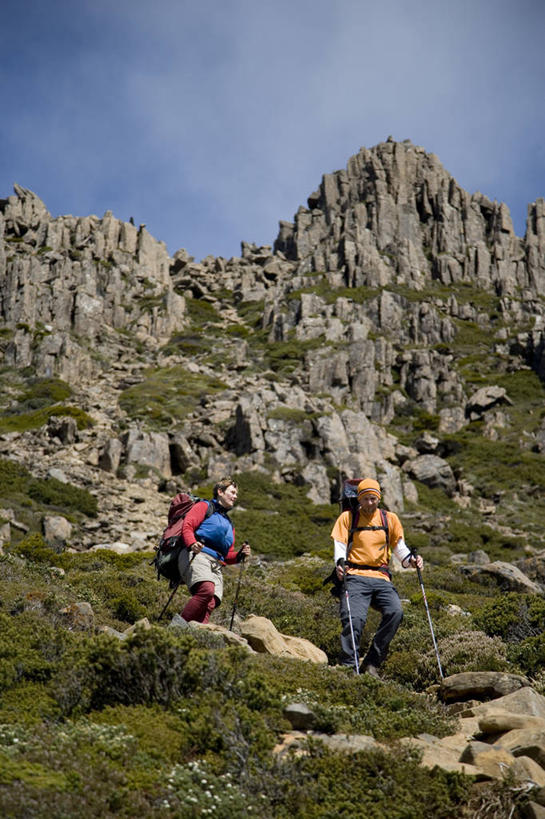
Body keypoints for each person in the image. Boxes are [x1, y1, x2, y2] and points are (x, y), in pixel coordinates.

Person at [331, 477, 423, 677]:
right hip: (354, 575)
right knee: (354, 620)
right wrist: (340, 564)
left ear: (378, 498)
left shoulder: (390, 519)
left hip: (381, 577)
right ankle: (348, 666)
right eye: (365, 499)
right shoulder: (347, 518)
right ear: (359, 499)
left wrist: (412, 561)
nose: (369, 503)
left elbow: (400, 551)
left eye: (373, 498)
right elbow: (339, 546)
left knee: (395, 612)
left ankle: (372, 661)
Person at [177, 476, 251, 623]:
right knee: (206, 590)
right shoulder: (204, 507)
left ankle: (194, 636)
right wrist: (192, 543)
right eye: (232, 492)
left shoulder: (230, 524)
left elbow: (227, 555)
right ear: (220, 492)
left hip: (216, 564)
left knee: (211, 601)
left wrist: (239, 556)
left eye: (236, 494)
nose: (235, 497)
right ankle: (175, 629)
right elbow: (187, 527)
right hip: (197, 554)